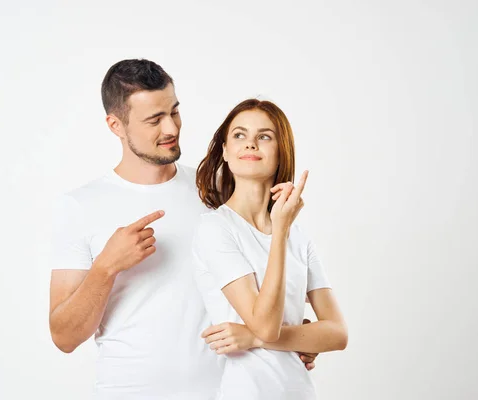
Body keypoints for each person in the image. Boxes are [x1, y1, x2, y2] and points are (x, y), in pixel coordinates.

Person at [48, 59, 317, 399]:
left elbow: (270, 285)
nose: (171, 128)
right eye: (154, 120)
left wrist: (292, 335)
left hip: (228, 391)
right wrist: (106, 266)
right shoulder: (80, 207)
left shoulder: (219, 191)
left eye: (174, 112)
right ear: (115, 125)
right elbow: (64, 337)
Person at [192, 99, 348, 400]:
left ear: (280, 152)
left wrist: (252, 339)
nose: (250, 144)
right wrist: (279, 234)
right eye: (239, 135)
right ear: (224, 151)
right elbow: (266, 325)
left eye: (264, 136)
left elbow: (337, 334)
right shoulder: (215, 229)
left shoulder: (298, 235)